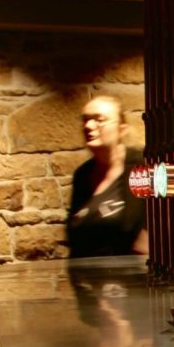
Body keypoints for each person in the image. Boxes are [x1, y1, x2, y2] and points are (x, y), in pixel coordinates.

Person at [67, 95, 148, 258]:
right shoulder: (82, 175)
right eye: (85, 120)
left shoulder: (142, 167)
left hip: (134, 279)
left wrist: (158, 244)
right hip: (89, 280)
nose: (89, 126)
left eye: (99, 119)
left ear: (121, 129)